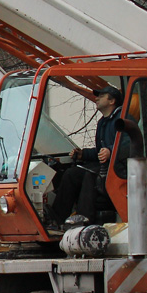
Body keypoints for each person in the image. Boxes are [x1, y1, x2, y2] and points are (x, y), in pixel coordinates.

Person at [48, 85, 124, 228]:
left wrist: (111, 151)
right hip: (105, 166)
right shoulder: (102, 122)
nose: (97, 98)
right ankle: (57, 219)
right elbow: (99, 152)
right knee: (71, 174)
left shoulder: (122, 119)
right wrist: (83, 154)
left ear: (112, 100)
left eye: (101, 96)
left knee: (90, 175)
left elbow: (128, 145)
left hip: (119, 167)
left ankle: (84, 220)